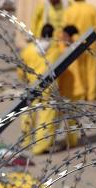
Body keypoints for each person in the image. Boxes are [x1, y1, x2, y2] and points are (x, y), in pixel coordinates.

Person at [17, 24, 60, 155]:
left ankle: (25, 142)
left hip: (32, 85)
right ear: (52, 35)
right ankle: (40, 146)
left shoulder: (29, 49)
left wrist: (23, 79)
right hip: (49, 88)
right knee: (46, 118)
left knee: (28, 114)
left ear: (40, 33)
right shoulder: (55, 51)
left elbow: (21, 69)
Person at [62, 0, 96, 101]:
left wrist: (65, 44)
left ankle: (81, 94)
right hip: (91, 43)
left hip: (76, 43)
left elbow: (65, 29)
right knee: (91, 70)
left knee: (78, 70)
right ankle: (91, 95)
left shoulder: (69, 10)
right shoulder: (92, 9)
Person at [57, 24, 85, 148]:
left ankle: (71, 142)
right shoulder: (74, 49)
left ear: (70, 36)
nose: (61, 37)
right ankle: (70, 141)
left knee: (71, 118)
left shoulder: (73, 50)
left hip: (73, 89)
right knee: (68, 117)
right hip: (69, 89)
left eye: (64, 35)